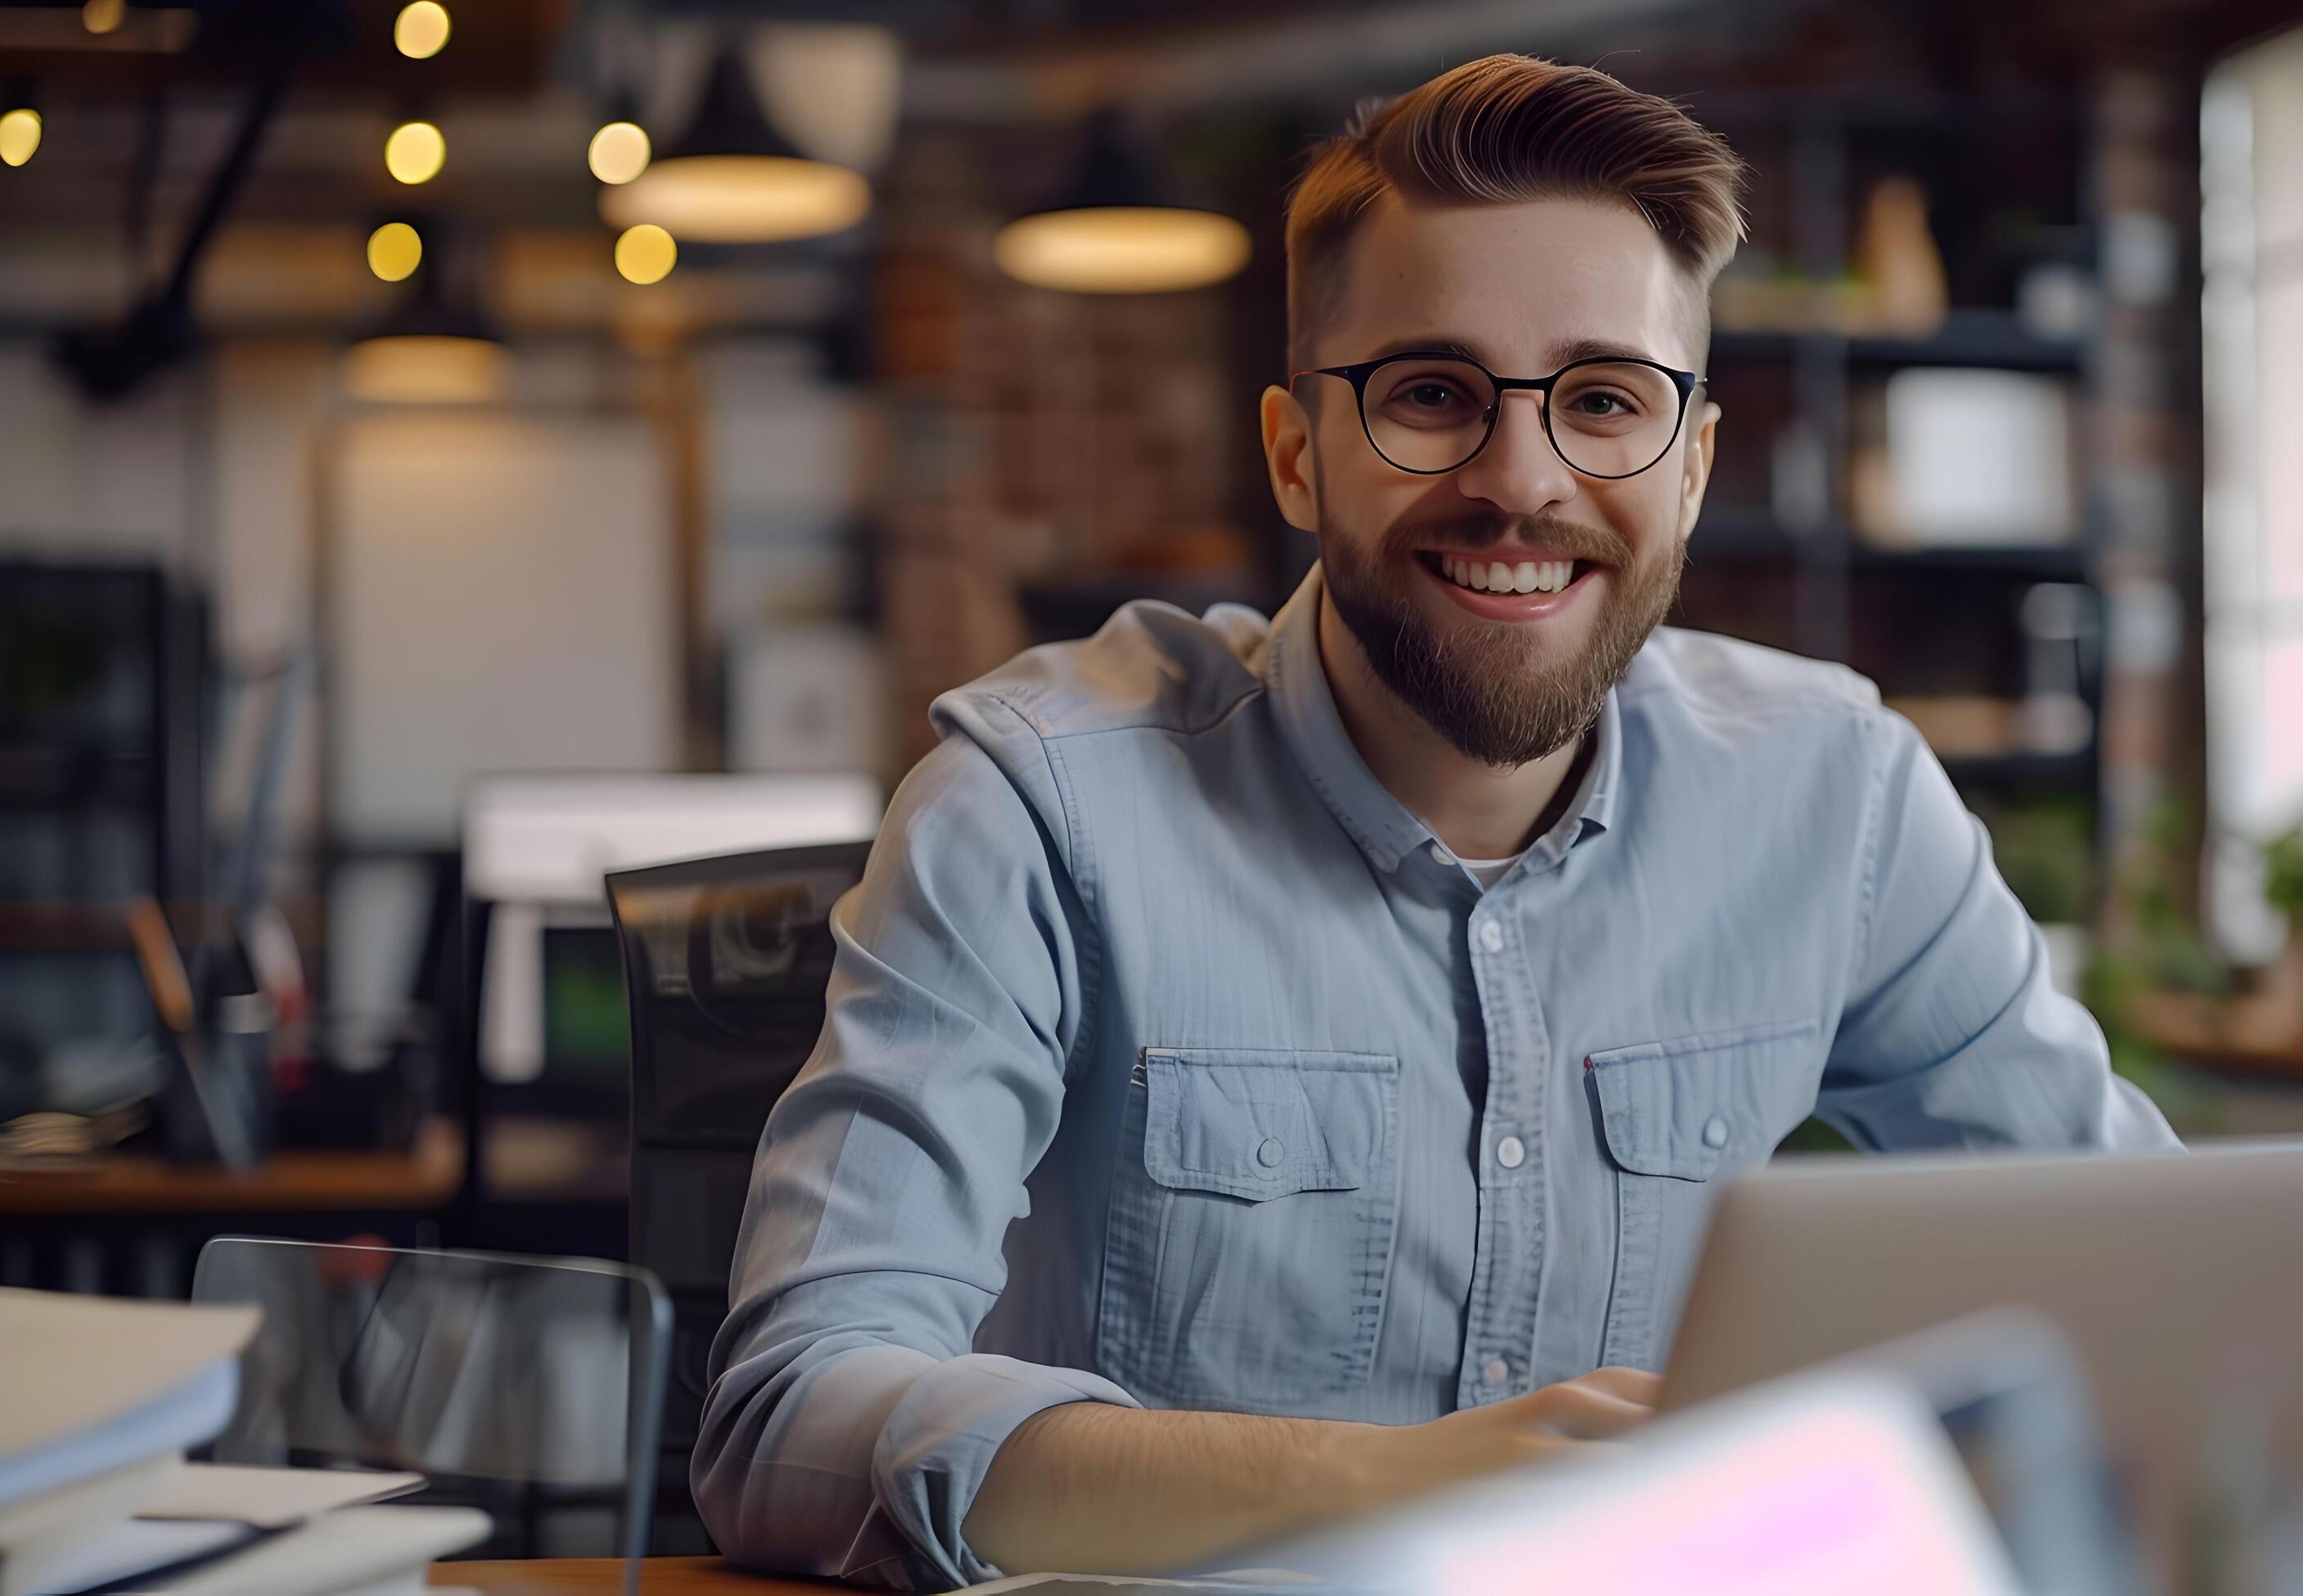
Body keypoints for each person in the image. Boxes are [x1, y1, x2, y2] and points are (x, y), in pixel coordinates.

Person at [694, 53, 2176, 1590]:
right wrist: (1379, 1484)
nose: (1519, 479)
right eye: (1429, 397)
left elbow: (2159, 1277)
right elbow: (790, 1419)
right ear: (1292, 450)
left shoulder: (1837, 795)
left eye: (1604, 399)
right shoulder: (1037, 809)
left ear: (1693, 465)